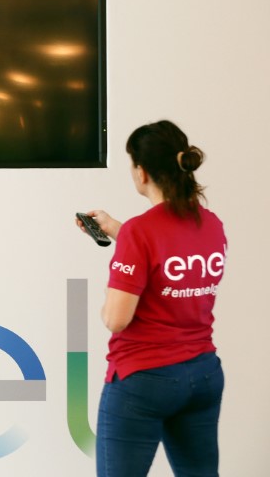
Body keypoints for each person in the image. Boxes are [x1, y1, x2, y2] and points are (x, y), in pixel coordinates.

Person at [77, 120, 226, 477]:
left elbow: (116, 318)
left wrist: (112, 280)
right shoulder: (211, 223)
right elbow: (168, 249)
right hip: (203, 375)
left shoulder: (140, 233)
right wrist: (119, 231)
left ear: (141, 171)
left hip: (143, 380)